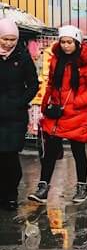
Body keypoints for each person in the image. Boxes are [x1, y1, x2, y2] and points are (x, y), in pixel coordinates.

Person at [29, 25, 87, 204]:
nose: (66, 46)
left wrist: (75, 103)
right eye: (63, 42)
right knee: (50, 151)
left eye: (69, 42)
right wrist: (46, 105)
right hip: (58, 113)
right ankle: (43, 187)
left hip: (77, 113)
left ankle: (82, 187)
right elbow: (52, 84)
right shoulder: (56, 59)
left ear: (77, 42)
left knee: (78, 151)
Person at [0, 19, 38, 209]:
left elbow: (33, 84)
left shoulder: (22, 56)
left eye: (12, 39)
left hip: (15, 116)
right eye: (5, 38)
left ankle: (11, 194)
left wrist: (20, 102)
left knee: (10, 155)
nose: (9, 43)